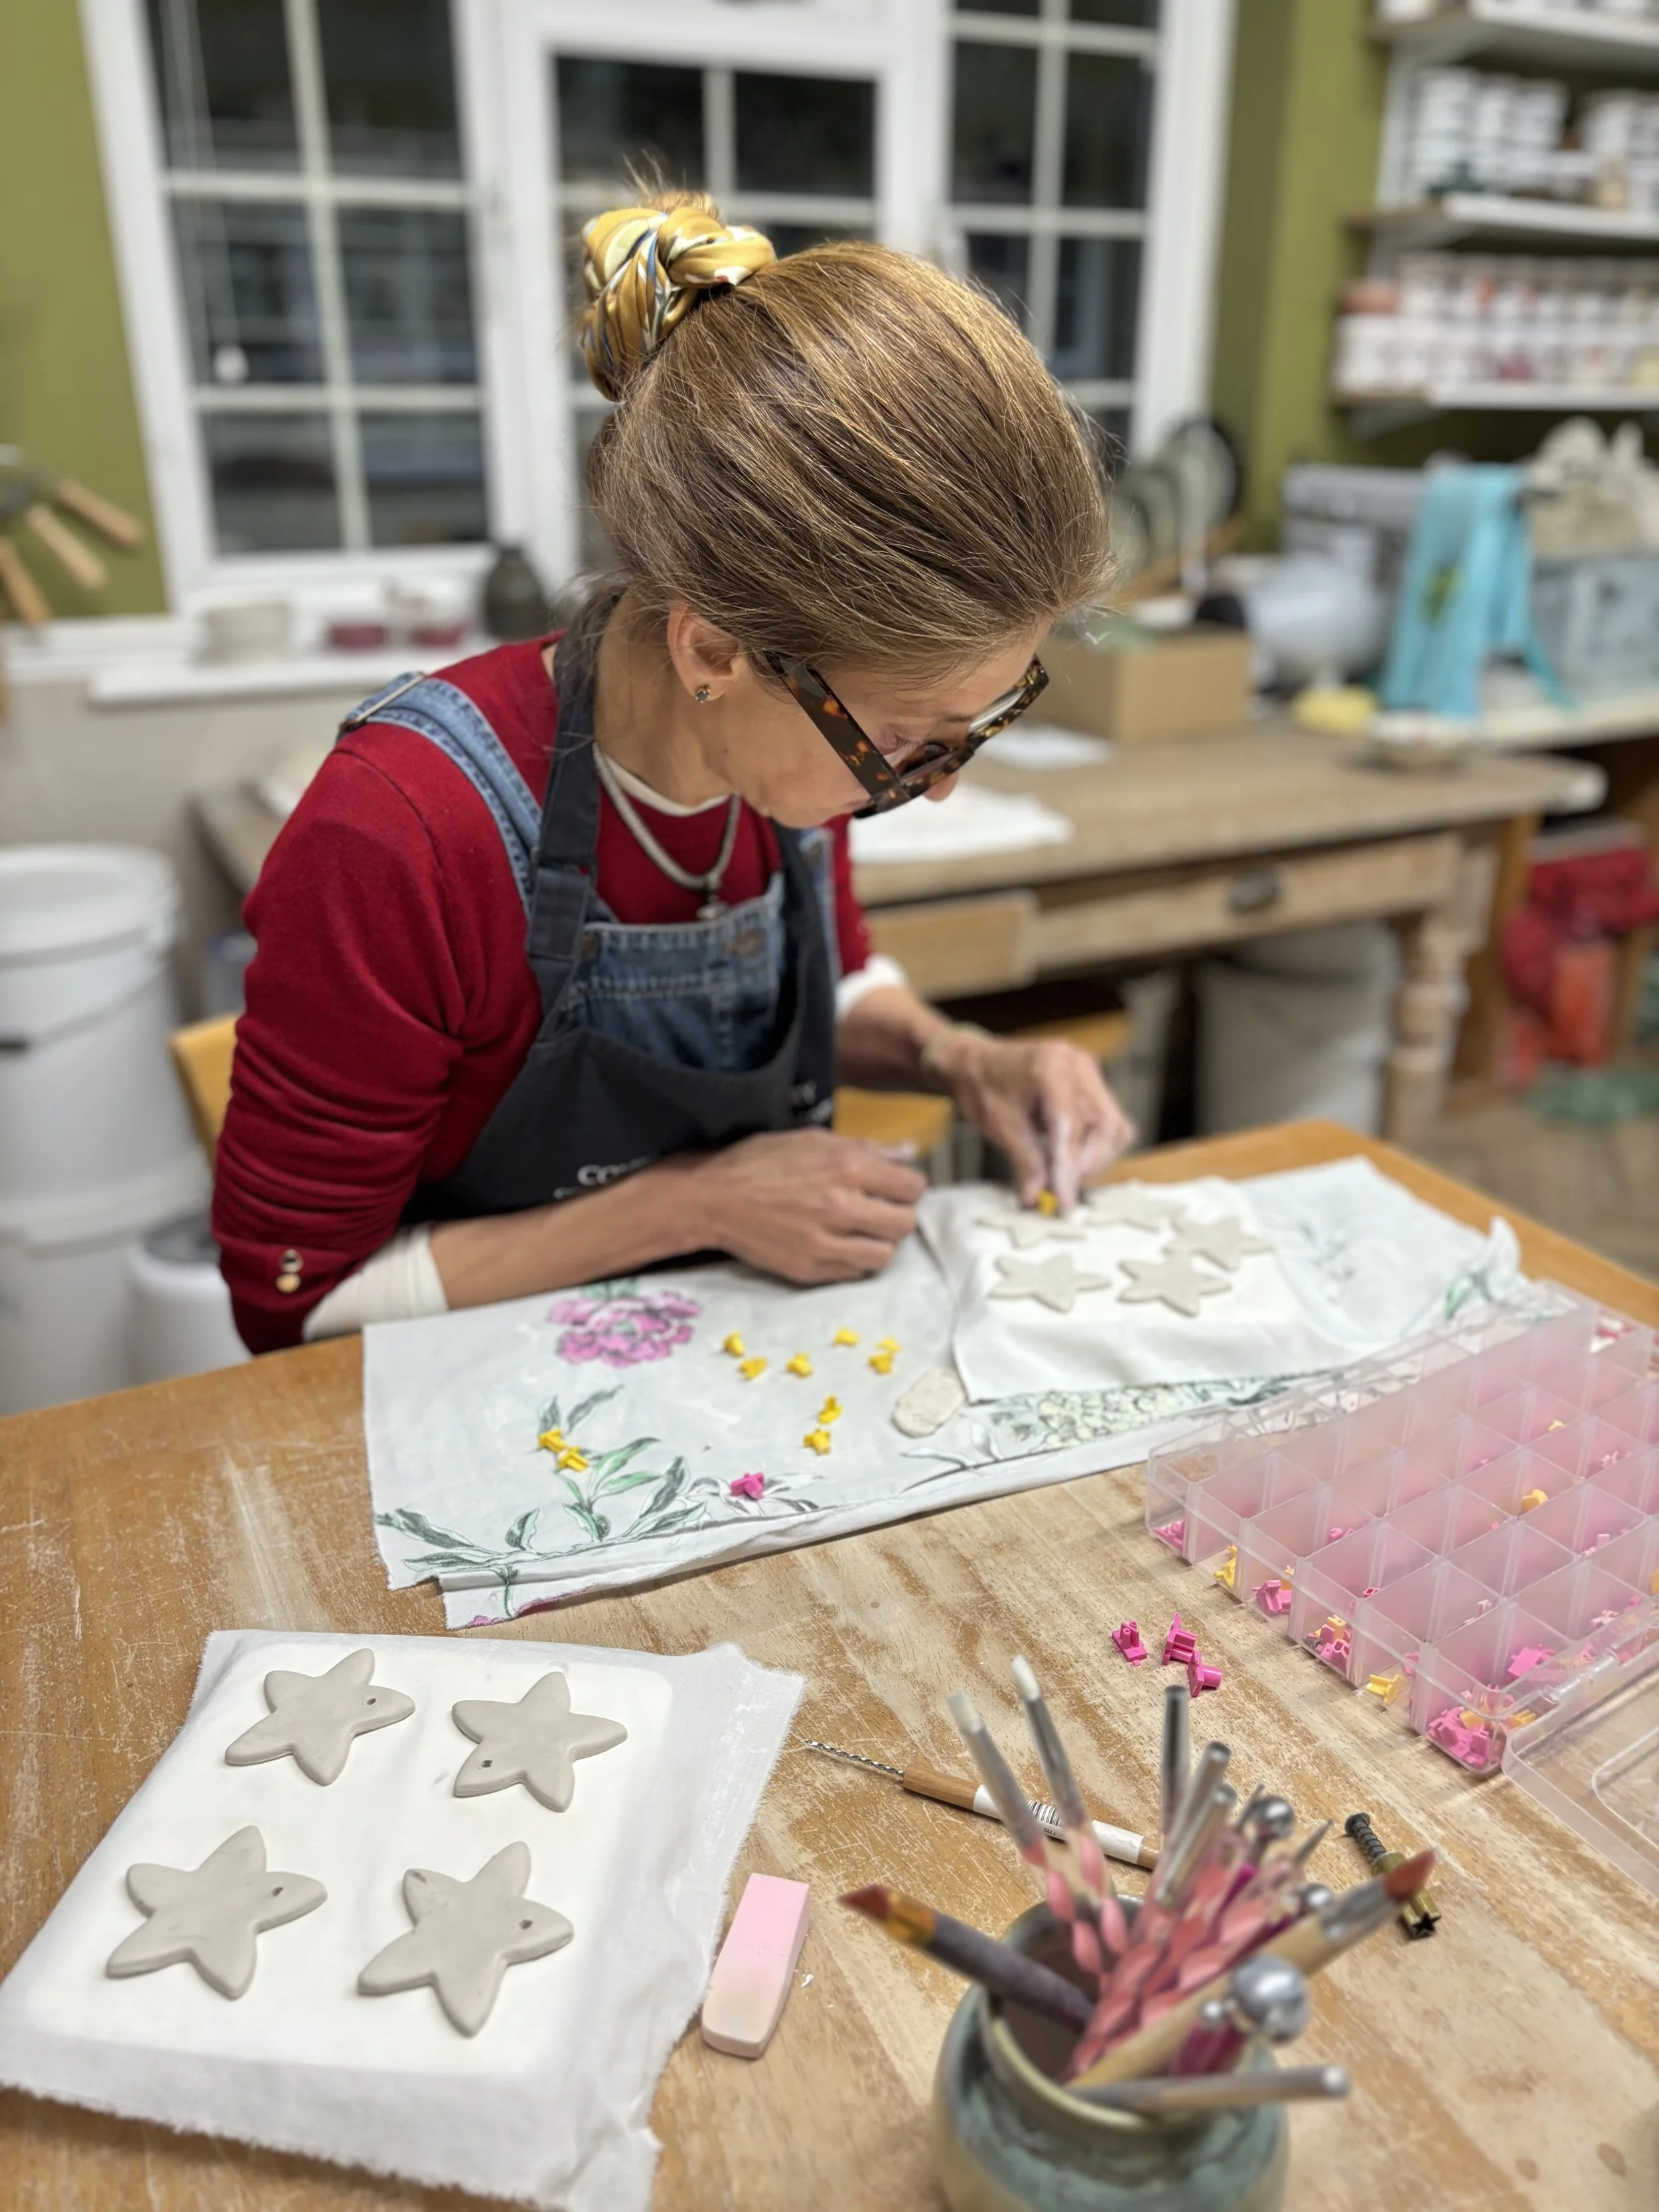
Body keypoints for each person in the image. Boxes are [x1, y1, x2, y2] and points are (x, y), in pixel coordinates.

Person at [214, 194, 1133, 1355]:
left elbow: (826, 979)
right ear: (713, 650)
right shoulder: (402, 832)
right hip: (470, 1392)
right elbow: (289, 1307)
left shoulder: (787, 751)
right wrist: (694, 1202)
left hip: (723, 1355)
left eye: (977, 726)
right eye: (910, 743)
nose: (935, 785)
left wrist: (962, 1058)